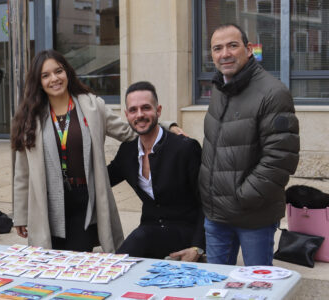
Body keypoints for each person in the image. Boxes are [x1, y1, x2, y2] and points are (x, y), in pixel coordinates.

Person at [11, 49, 136, 252]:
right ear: (38, 82)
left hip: (84, 202)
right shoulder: (29, 118)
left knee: (79, 262)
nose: (54, 79)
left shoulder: (93, 107)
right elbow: (22, 173)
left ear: (67, 72)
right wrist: (21, 214)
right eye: (45, 75)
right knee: (50, 264)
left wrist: (166, 126)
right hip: (47, 204)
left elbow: (129, 131)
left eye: (58, 71)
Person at [199, 23, 300, 266]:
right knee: (216, 286)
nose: (225, 54)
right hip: (216, 216)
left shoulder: (273, 93)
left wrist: (241, 198)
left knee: (258, 289)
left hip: (254, 216)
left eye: (233, 46)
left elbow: (280, 158)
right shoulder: (220, 88)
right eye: (217, 48)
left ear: (249, 49)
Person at [108, 81, 205, 261]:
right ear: (126, 115)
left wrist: (198, 247)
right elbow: (102, 179)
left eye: (146, 108)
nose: (140, 115)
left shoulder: (185, 148)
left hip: (186, 233)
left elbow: (206, 202)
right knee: (121, 262)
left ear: (158, 110)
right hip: (150, 232)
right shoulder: (127, 151)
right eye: (133, 110)